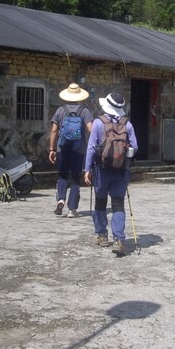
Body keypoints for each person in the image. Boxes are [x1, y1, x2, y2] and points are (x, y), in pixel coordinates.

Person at [84, 93, 138, 257]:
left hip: (101, 170)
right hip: (121, 171)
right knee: (118, 205)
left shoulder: (99, 123)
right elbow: (135, 147)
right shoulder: (127, 125)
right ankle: (119, 240)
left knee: (100, 202)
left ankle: (101, 235)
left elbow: (92, 148)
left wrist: (87, 169)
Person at [49, 83, 94, 218]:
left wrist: (52, 149)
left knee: (62, 175)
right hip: (78, 150)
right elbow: (91, 130)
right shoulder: (84, 111)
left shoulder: (60, 111)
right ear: (80, 96)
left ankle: (61, 199)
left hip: (62, 149)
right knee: (75, 177)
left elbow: (54, 131)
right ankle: (72, 209)